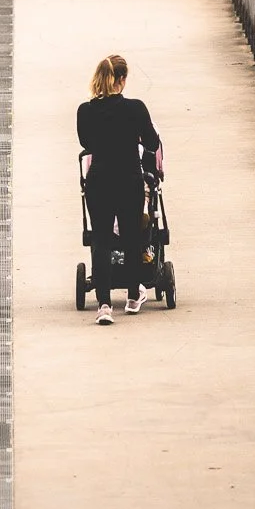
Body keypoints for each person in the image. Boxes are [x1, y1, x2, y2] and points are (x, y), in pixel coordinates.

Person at [77, 53, 160, 325]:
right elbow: (151, 143)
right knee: (131, 237)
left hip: (99, 181)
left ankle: (104, 306)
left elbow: (86, 142)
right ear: (122, 80)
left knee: (101, 240)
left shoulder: (85, 111)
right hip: (129, 180)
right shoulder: (136, 108)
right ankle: (134, 297)